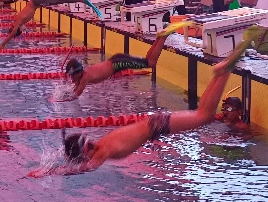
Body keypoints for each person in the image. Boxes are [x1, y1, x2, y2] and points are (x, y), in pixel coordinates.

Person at [57, 43, 244, 173]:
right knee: (202, 114)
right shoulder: (101, 146)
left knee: (204, 115)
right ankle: (222, 72)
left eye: (82, 158)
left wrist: (55, 171)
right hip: (154, 124)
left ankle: (223, 72)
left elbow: (86, 169)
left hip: (156, 125)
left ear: (85, 153)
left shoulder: (102, 152)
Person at [67, 29, 174, 97]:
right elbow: (75, 87)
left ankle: (163, 37)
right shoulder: (82, 75)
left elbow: (76, 95)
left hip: (118, 63)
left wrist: (62, 100)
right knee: (147, 61)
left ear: (78, 73)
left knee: (151, 63)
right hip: (116, 60)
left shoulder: (85, 77)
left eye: (72, 76)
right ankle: (159, 37)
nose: (71, 79)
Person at [0, 0, 90, 50]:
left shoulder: (18, 22)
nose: (24, 30)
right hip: (37, 1)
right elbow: (21, 32)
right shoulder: (20, 22)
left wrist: (3, 44)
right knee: (55, 0)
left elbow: (12, 33)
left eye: (21, 31)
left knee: (57, 0)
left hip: (36, 0)